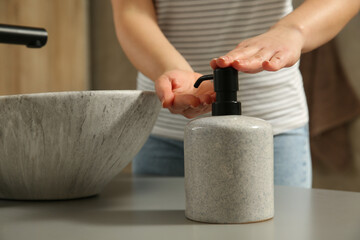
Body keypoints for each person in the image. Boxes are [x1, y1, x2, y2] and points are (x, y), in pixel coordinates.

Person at [111, 0, 360, 188]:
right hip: (164, 135)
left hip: (270, 133)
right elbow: (131, 10)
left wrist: (294, 30)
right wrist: (171, 69)